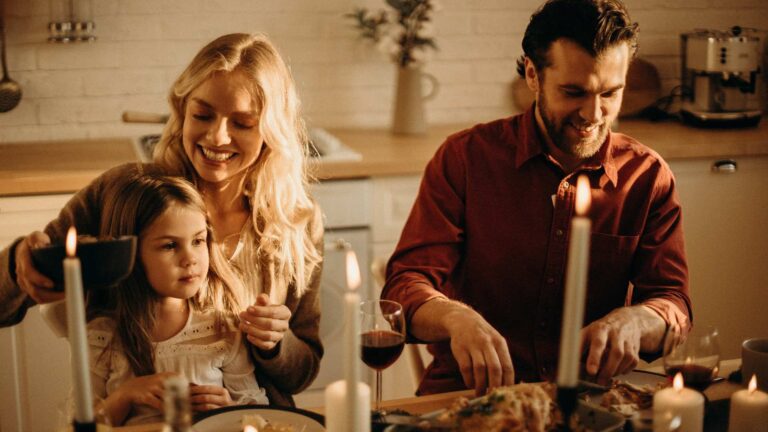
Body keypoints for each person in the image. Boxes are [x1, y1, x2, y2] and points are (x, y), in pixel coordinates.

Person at [381, 0, 692, 396]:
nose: (593, 113)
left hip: (588, 402)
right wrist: (456, 318)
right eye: (573, 92)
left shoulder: (647, 177)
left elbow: (673, 302)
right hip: (471, 397)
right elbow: (406, 284)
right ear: (532, 74)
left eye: (610, 93)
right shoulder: (465, 158)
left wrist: (635, 320)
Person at [0, 33, 324, 406]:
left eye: (243, 123)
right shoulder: (127, 194)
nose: (218, 136)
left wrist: (276, 343)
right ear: (182, 110)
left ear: (271, 130)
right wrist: (19, 265)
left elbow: (302, 374)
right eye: (202, 115)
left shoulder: (296, 222)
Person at [88, 174, 268, 426]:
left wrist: (229, 409)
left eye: (197, 241)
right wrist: (125, 395)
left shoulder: (223, 328)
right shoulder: (103, 335)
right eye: (170, 245)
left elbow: (257, 413)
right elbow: (81, 422)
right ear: (130, 254)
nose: (190, 259)